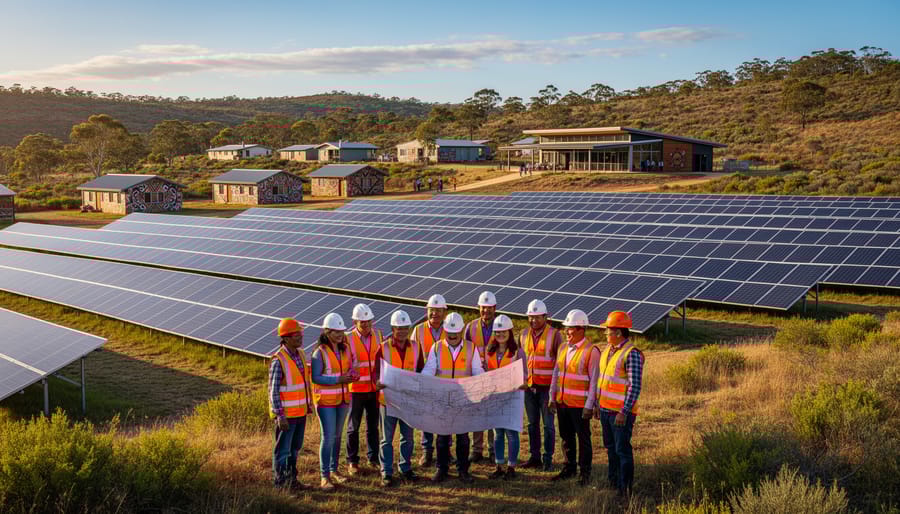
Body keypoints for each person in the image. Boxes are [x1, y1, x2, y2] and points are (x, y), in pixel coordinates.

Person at [422, 312, 483, 483]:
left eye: (456, 332)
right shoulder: (436, 347)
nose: (453, 335)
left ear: (462, 330)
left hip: (463, 400)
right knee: (442, 437)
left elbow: (478, 372)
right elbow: (428, 371)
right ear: (444, 330)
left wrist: (483, 384)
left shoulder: (472, 348)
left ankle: (463, 470)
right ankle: (442, 470)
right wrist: (421, 380)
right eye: (449, 332)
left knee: (463, 438)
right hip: (443, 400)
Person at [548, 309, 600, 486]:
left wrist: (589, 405)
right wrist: (551, 396)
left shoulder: (591, 351)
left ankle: (585, 473)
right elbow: (556, 373)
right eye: (566, 328)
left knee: (583, 438)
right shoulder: (563, 347)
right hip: (563, 402)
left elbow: (594, 381)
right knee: (566, 437)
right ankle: (569, 468)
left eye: (569, 328)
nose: (566, 331)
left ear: (580, 329)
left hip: (579, 405)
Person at [594, 311, 644, 497]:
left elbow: (635, 386)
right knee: (610, 449)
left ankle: (626, 489)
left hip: (620, 413)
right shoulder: (608, 350)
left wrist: (624, 411)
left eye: (607, 331)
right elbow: (603, 380)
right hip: (606, 410)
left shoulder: (631, 354)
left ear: (618, 332)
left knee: (622, 450)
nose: (605, 334)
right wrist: (598, 405)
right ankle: (613, 482)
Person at [374, 310, 424, 486]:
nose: (402, 331)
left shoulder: (416, 347)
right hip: (387, 401)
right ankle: (386, 472)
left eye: (405, 328)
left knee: (408, 438)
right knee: (386, 439)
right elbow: (375, 373)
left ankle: (405, 468)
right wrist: (377, 383)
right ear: (393, 329)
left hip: (408, 402)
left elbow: (420, 372)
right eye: (398, 328)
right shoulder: (383, 347)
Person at [312, 313, 358, 490]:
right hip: (326, 402)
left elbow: (349, 368)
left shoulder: (344, 349)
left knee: (338, 436)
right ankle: (324, 477)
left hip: (343, 399)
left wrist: (352, 375)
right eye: (336, 332)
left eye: (341, 331)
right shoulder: (319, 353)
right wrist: (338, 380)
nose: (340, 335)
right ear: (327, 332)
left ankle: (334, 470)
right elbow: (316, 377)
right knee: (328, 437)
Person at [269, 318, 312, 491]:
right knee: (283, 451)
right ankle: (280, 485)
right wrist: (280, 415)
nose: (300, 337)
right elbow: (273, 391)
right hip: (287, 416)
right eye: (296, 335)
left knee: (295, 449)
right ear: (285, 338)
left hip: (300, 413)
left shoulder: (300, 354)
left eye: (300, 333)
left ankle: (292, 480)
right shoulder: (278, 360)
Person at [520, 299, 563, 472]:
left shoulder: (555, 334)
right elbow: (519, 361)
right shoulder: (522, 334)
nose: (534, 320)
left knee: (548, 425)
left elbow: (559, 364)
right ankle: (534, 457)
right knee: (532, 424)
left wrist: (555, 390)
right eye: (531, 317)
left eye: (537, 317)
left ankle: (547, 458)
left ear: (545, 317)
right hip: (529, 388)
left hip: (547, 389)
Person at [485, 315, 527, 481]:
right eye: (497, 332)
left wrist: (516, 384)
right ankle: (499, 465)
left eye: (504, 332)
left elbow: (525, 377)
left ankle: (511, 466)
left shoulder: (517, 352)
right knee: (498, 434)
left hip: (512, 399)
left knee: (511, 433)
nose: (500, 335)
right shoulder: (490, 352)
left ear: (510, 332)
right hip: (496, 398)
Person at [410, 294, 448, 466]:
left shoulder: (451, 328)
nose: (435, 314)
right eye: (432, 310)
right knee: (427, 416)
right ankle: (427, 451)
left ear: (444, 312)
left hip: (446, 380)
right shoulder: (418, 330)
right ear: (427, 311)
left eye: (438, 311)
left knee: (445, 417)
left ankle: (446, 450)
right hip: (425, 381)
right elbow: (411, 354)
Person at [346, 303, 384, 475]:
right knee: (353, 427)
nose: (366, 325)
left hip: (374, 389)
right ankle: (352, 461)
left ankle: (373, 457)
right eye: (363, 322)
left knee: (373, 426)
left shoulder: (378, 335)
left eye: (369, 322)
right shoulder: (347, 339)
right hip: (356, 390)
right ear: (355, 322)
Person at [465, 291, 498, 462]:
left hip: (494, 377)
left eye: (489, 308)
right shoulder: (470, 327)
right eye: (483, 308)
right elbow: (465, 350)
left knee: (492, 414)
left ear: (495, 308)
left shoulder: (501, 325)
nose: (486, 311)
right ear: (479, 308)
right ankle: (476, 450)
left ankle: (493, 450)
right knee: (477, 414)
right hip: (476, 377)